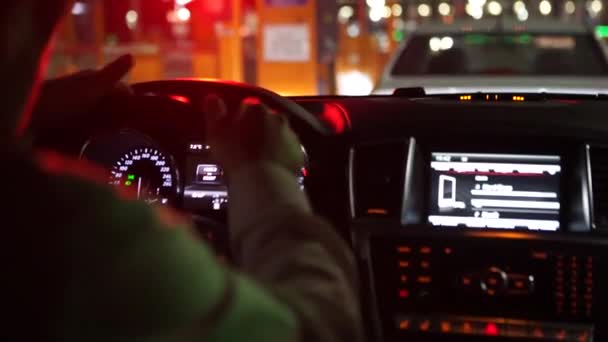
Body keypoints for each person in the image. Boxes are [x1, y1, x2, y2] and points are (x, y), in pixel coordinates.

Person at [2, 1, 362, 341]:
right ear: (22, 24)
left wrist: (26, 116)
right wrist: (265, 175)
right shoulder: (83, 232)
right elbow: (321, 329)